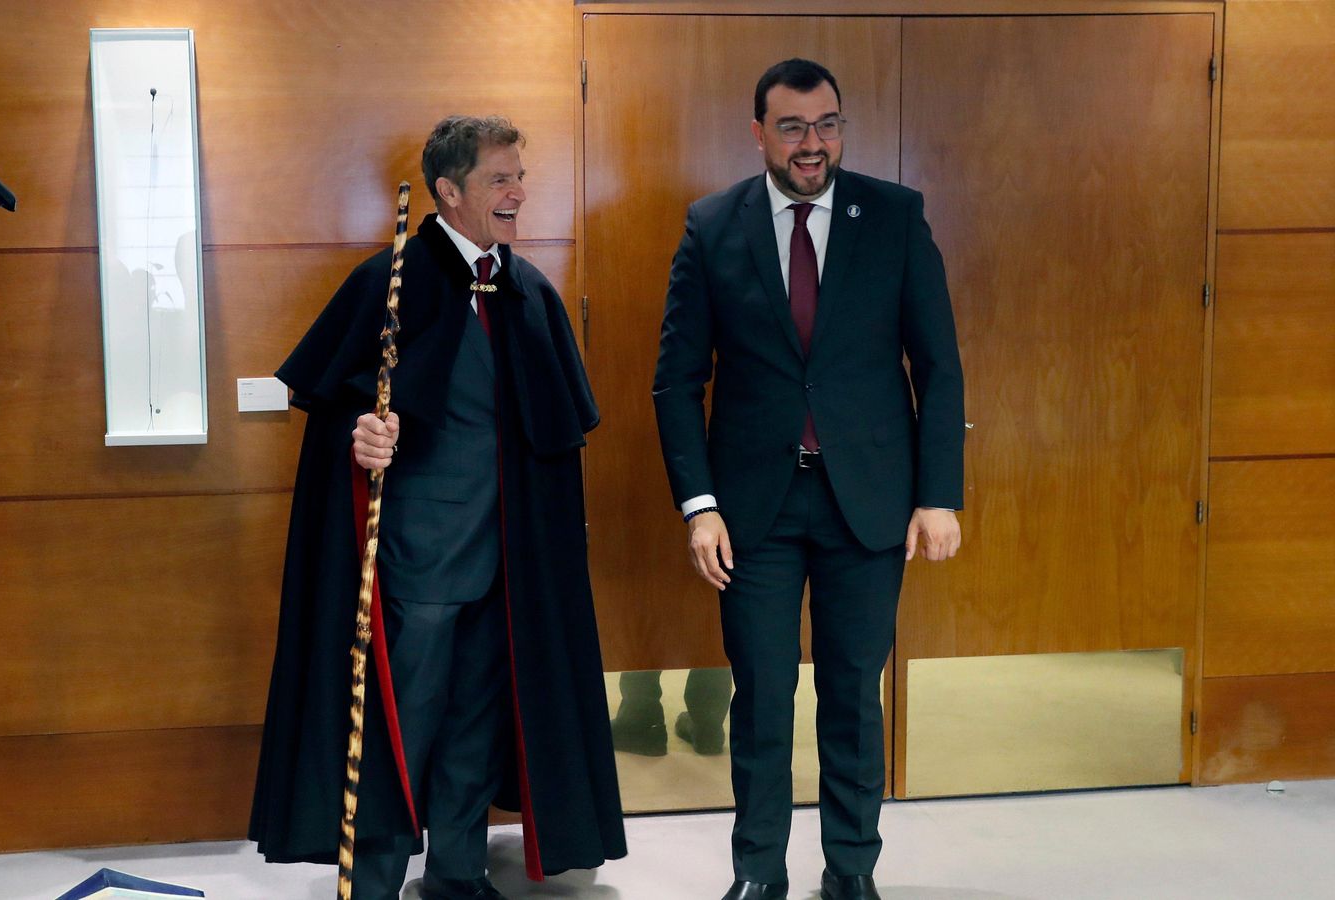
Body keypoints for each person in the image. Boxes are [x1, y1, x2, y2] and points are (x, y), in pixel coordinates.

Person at [248, 115, 626, 900]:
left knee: (476, 725)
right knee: (403, 727)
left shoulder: (527, 292)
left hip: (509, 566)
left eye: (520, 176)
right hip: (419, 564)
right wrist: (361, 433)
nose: (517, 193)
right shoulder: (388, 283)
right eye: (499, 179)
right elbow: (334, 406)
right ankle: (376, 883)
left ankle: (458, 875)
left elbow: (552, 441)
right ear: (449, 190)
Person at [652, 59, 965, 900]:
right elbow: (677, 381)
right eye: (793, 127)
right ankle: (758, 874)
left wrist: (938, 495)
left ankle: (851, 869)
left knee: (853, 696)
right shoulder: (712, 225)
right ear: (759, 132)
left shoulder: (894, 216)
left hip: (868, 502)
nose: (812, 144)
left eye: (827, 125)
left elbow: (938, 366)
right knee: (761, 696)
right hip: (752, 512)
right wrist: (699, 506)